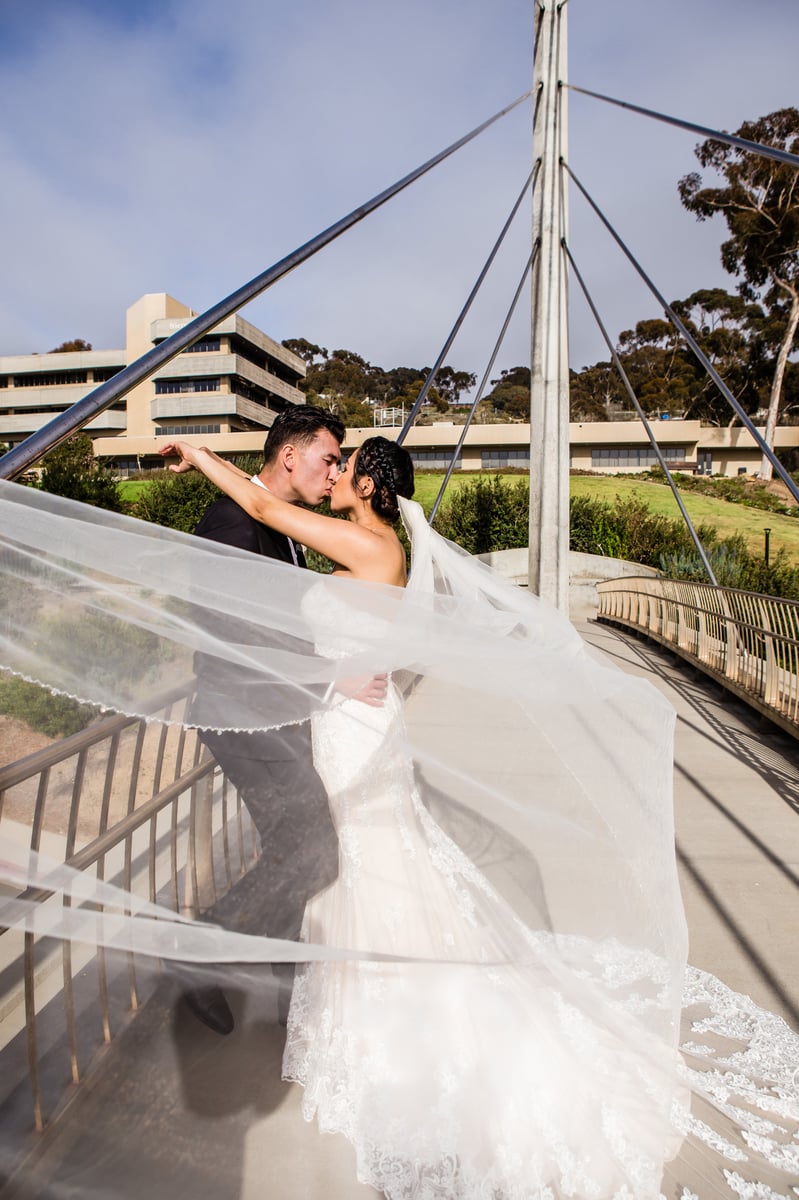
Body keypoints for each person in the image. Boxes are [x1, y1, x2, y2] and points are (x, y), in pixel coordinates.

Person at [158, 433, 686, 1200]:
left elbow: (265, 507)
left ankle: (368, 1017)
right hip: (343, 720)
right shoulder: (370, 546)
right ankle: (339, 1004)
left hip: (350, 728)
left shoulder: (367, 545)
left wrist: (202, 453)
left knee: (358, 858)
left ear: (369, 487)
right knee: (356, 858)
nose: (336, 473)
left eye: (345, 467)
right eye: (333, 461)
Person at [178, 405, 387, 1036]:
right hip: (243, 718)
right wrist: (331, 678)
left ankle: (271, 968)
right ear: (290, 456)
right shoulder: (233, 522)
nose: (334, 473)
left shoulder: (283, 525)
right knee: (315, 851)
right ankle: (201, 951)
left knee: (294, 847)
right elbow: (231, 633)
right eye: (329, 459)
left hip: (275, 715)